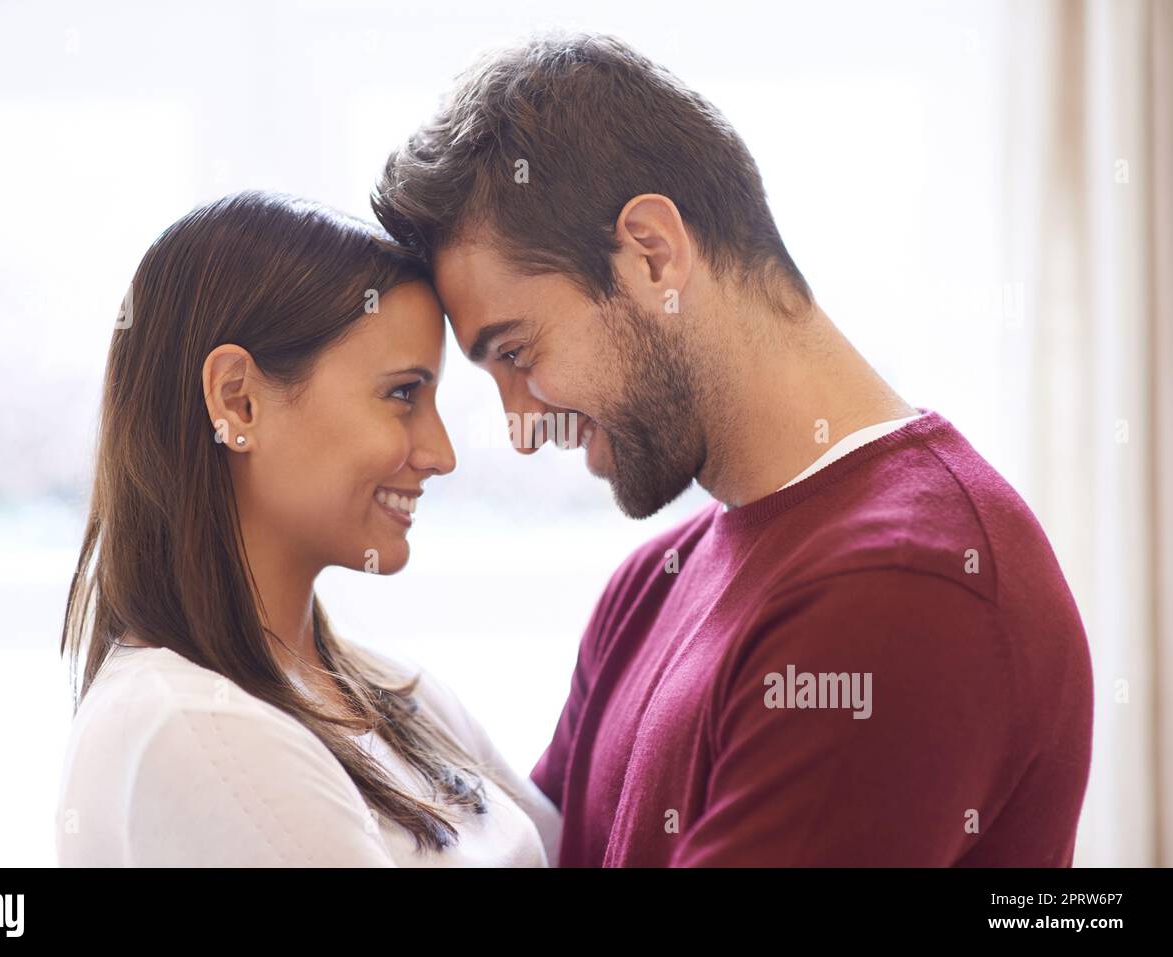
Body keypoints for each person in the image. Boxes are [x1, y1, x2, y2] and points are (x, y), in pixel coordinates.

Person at [372, 30, 1094, 866]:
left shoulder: (902, 590)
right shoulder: (649, 588)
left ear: (651, 253)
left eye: (520, 353)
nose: (522, 429)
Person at [55, 190, 560, 867]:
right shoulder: (199, 731)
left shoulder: (396, 693)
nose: (441, 453)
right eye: (403, 394)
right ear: (239, 400)